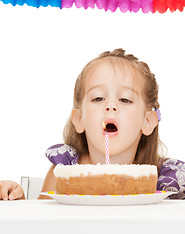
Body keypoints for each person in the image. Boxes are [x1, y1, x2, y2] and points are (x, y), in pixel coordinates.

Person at [0, 48, 185, 200]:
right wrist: (19, 202)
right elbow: (41, 226)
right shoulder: (65, 170)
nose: (110, 106)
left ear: (148, 121)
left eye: (125, 99)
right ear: (79, 119)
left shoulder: (169, 180)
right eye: (98, 98)